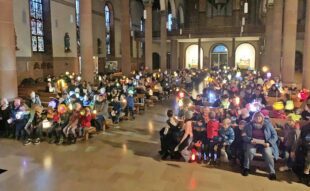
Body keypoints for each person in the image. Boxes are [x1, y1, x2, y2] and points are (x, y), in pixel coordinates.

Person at [242, 112, 279, 180]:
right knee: (250, 151)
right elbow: (244, 135)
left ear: (262, 118)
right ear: (254, 118)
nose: (258, 118)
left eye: (260, 117)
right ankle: (246, 168)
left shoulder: (267, 124)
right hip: (253, 143)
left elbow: (275, 135)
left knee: (268, 153)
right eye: (256, 117)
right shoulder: (248, 125)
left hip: (265, 144)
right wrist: (250, 140)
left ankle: (272, 172)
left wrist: (269, 143)